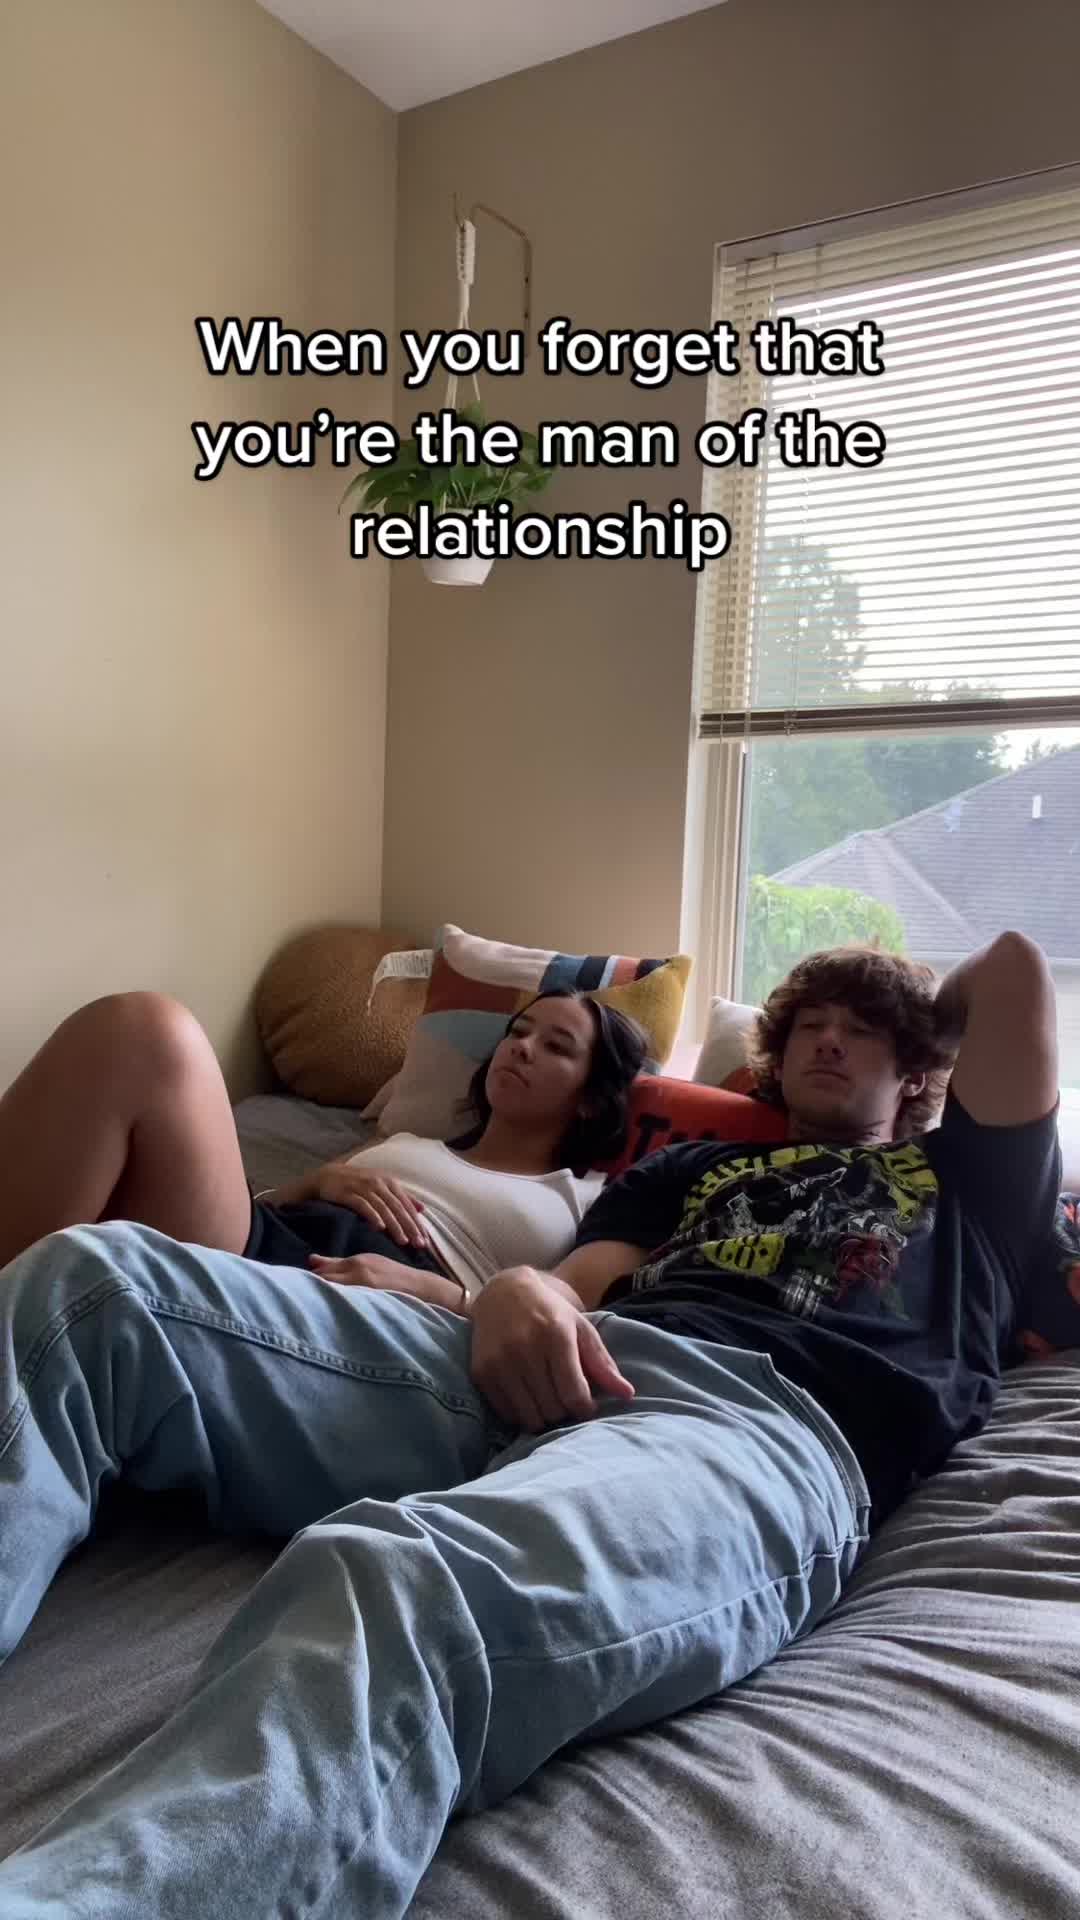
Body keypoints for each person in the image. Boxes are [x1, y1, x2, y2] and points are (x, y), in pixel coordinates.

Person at [0, 933, 1061, 1919]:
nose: (829, 1041)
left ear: (919, 1067)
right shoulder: (692, 1168)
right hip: (554, 1364)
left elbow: (1013, 970)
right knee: (94, 1285)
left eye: (860, 1032)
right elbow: (575, 1284)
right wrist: (512, 1292)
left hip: (755, 1423)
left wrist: (916, 1015)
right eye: (812, 1027)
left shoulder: (973, 1181)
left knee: (399, 1579)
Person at [0, 987, 647, 1307]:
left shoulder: (590, 1198)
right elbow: (258, 1208)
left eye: (556, 1046)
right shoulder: (412, 1141)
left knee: (145, 1033)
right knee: (121, 1043)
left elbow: (573, 1324)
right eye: (518, 1031)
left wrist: (436, 1295)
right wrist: (315, 1181)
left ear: (592, 1098)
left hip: (340, 1301)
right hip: (265, 1241)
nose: (521, 1047)